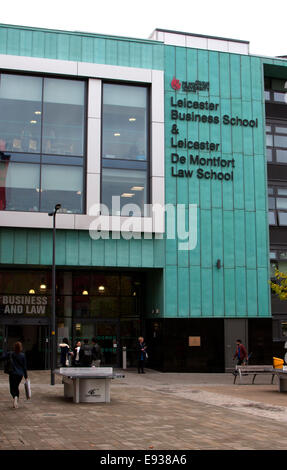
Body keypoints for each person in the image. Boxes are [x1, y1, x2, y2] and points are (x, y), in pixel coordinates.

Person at [2, 341, 28, 409]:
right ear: (20, 348)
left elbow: (2, 358)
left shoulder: (10, 354)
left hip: (12, 373)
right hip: (20, 374)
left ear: (14, 347)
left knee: (12, 388)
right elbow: (24, 367)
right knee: (16, 387)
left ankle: (15, 398)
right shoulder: (23, 355)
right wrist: (26, 377)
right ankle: (16, 400)